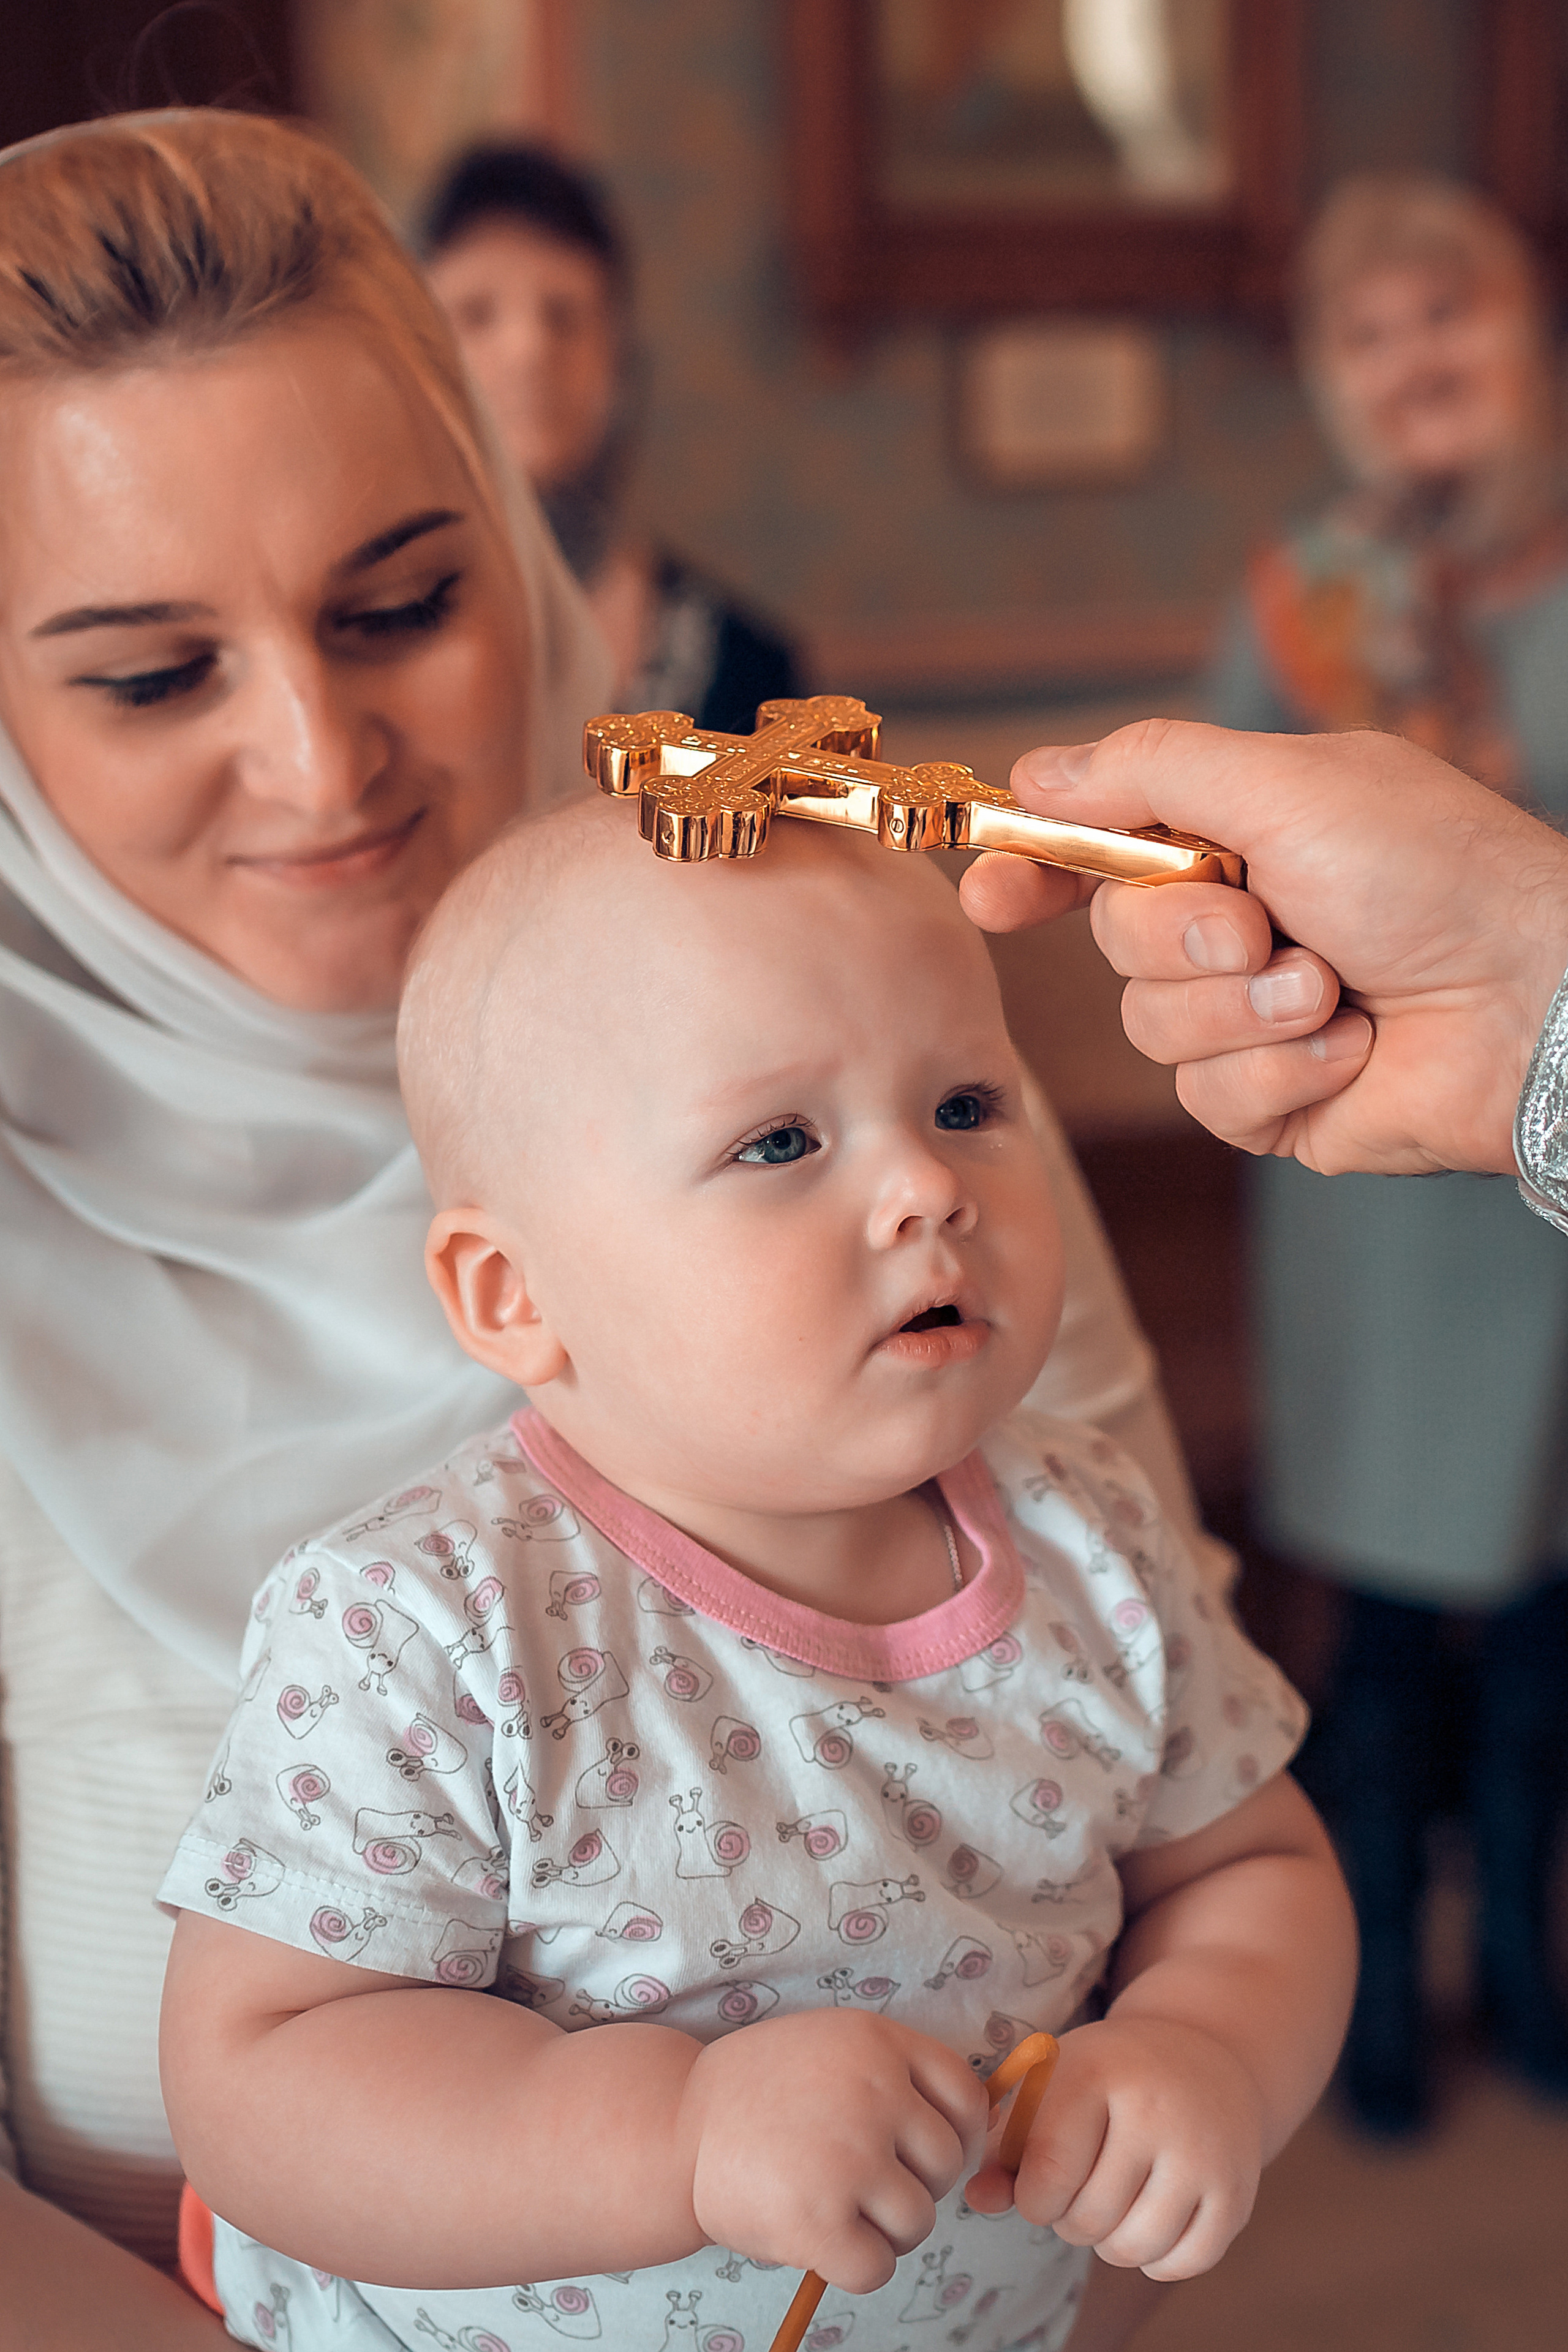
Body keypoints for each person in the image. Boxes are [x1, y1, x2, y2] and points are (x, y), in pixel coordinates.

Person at [0, 106, 1218, 2352]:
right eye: (152, 675)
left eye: (400, 605)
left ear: (530, 559)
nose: (317, 757)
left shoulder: (865, 1079)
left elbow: (1152, 1847)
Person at [159, 800, 1354, 2352]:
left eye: (967, 1102)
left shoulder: (1091, 1537)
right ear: (515, 1294)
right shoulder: (421, 1623)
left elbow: (1247, 1869)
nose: (926, 1187)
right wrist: (681, 2132)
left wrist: (1209, 2048)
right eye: (778, 1140)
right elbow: (264, 2073)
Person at [1201, 175, 1568, 2131]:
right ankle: (1363, 1994)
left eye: (1454, 315)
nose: (1418, 360)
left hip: (1558, 1199)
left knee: (1542, 1626)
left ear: (1527, 336)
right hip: (1380, 1206)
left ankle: (1519, 1943)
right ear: (1331, 381)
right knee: (1382, 1627)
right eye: (1372, 332)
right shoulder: (1301, 600)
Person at [423, 142, 805, 733]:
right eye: (476, 314)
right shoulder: (371, 653)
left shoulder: (749, 668)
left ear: (621, 363)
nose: (529, 351)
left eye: (565, 315)